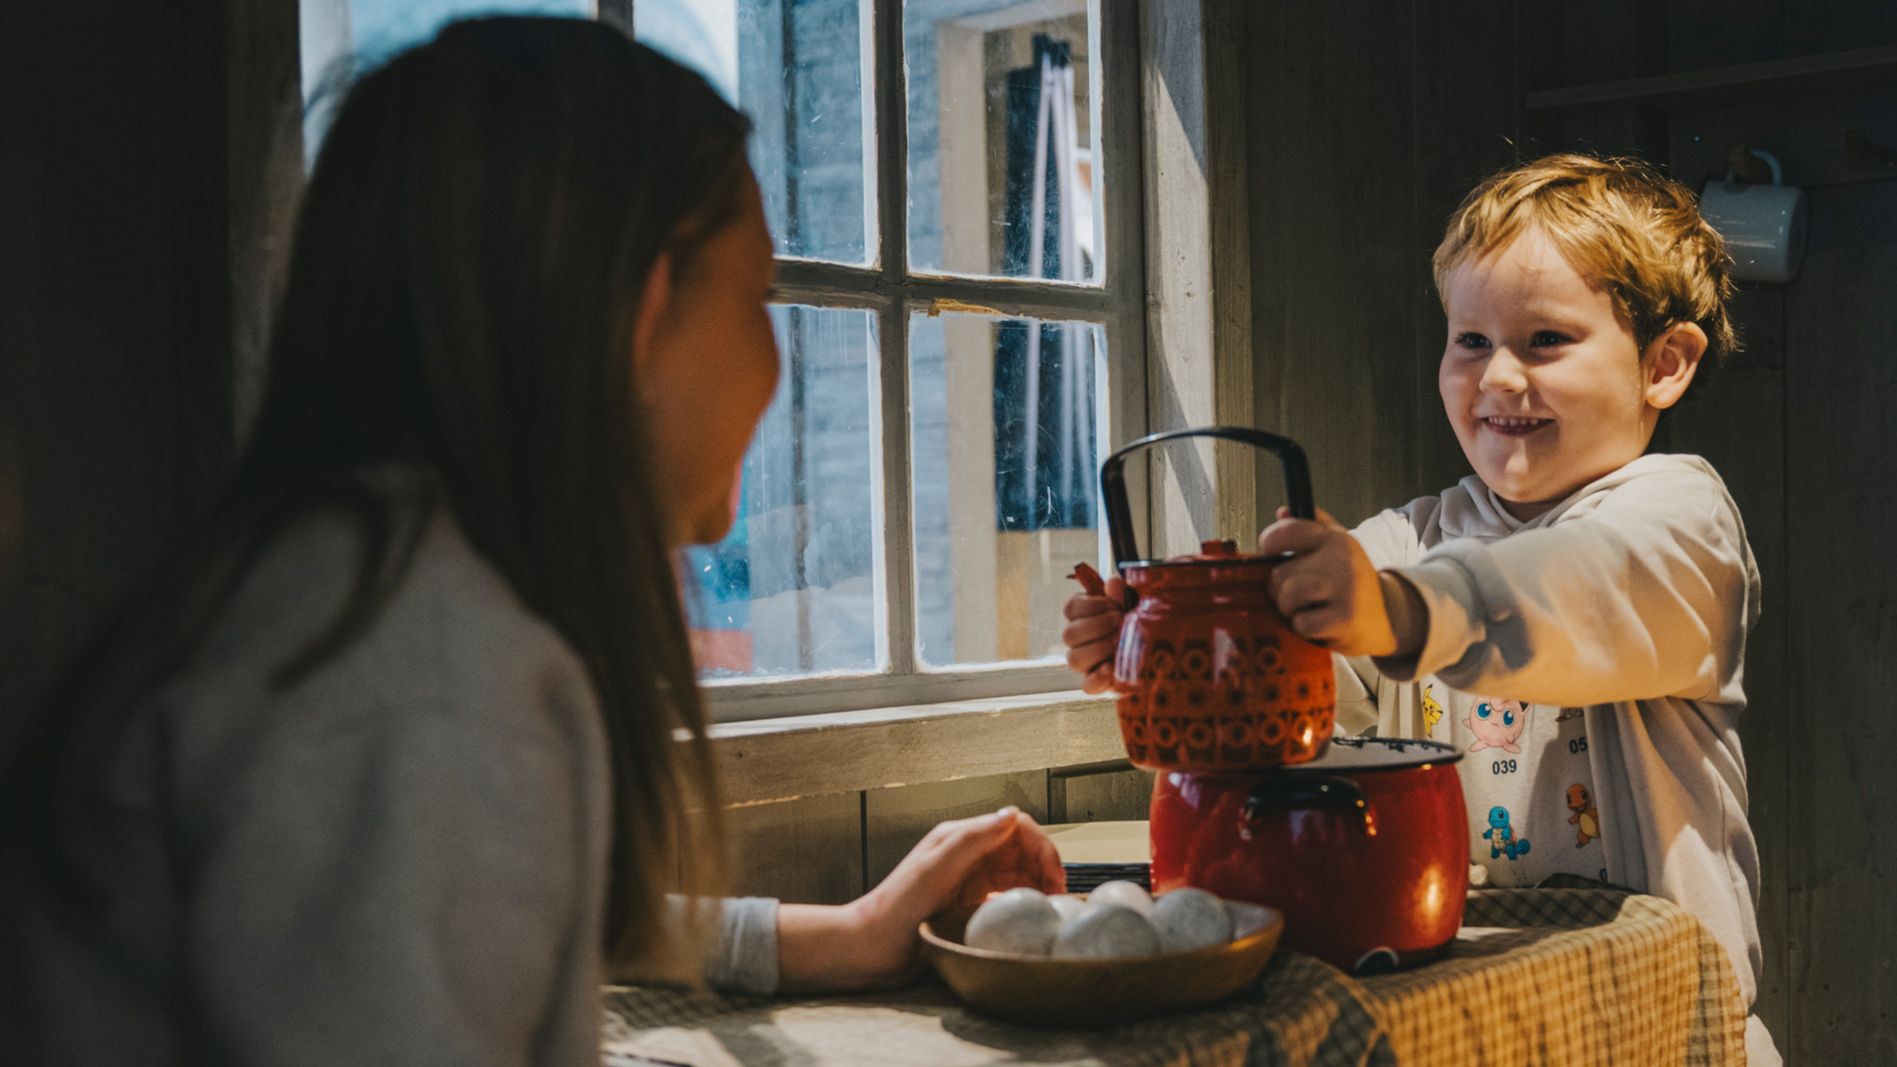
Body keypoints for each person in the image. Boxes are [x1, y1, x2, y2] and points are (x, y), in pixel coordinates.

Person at [2, 17, 1060, 1065]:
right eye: (755, 297)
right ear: (644, 308)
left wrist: (838, 934)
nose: (776, 365)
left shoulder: (349, 595)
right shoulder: (425, 684)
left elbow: (535, 910)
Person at [1063, 153, 1778, 1063]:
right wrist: (1170, 650)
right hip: (1493, 1001)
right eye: (1470, 340)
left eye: (1545, 340)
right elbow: (1311, 677)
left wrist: (1398, 610)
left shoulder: (1680, 517)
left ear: (1663, 365)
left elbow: (1580, 585)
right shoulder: (1413, 533)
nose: (1499, 378)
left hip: (1663, 1020)